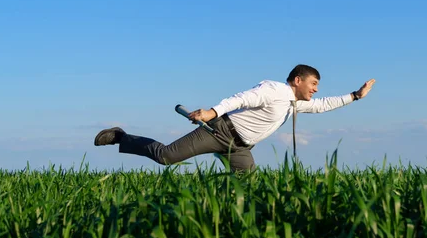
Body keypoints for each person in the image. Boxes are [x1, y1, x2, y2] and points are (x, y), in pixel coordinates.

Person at [94, 64, 376, 171]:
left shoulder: (291, 103)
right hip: (219, 132)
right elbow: (240, 99)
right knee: (166, 157)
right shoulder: (274, 90)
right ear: (298, 80)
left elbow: (322, 105)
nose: (315, 91)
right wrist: (212, 112)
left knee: (249, 191)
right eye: (313, 84)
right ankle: (122, 136)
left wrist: (354, 96)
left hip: (240, 148)